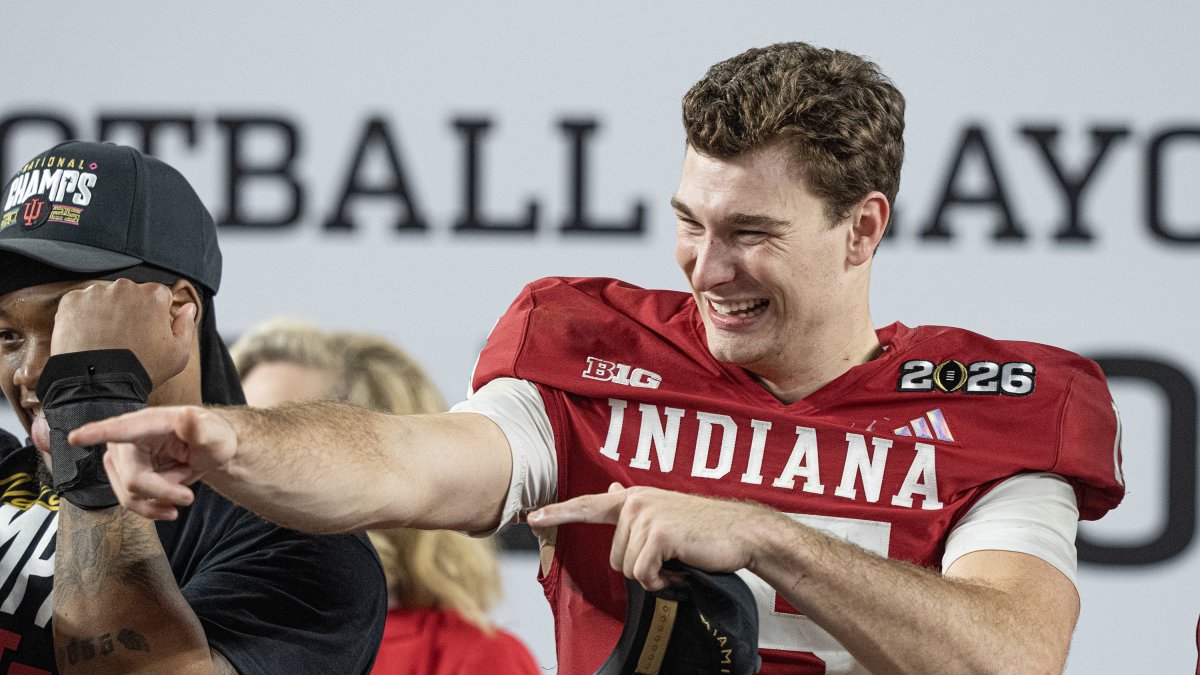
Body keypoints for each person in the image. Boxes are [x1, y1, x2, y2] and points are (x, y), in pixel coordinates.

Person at [78, 42, 1125, 674]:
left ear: (862, 229)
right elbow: (407, 461)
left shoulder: (1000, 401)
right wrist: (225, 435)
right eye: (689, 222)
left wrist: (764, 534)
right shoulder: (594, 346)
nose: (707, 269)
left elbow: (1012, 653)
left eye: (751, 232)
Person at [0, 141, 386, 673]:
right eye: (8, 336)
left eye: (71, 325)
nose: (29, 372)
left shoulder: (294, 534)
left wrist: (92, 405)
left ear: (177, 314)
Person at [230, 320, 539, 675]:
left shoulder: (476, 662)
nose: (240, 463)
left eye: (283, 442)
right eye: (236, 431)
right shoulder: (186, 637)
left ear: (386, 469)